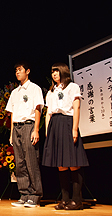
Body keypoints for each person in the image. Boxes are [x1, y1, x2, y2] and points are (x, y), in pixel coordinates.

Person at [42, 62, 89, 210]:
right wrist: (47, 131)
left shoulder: (72, 87)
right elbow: (48, 112)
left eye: (56, 71)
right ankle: (65, 199)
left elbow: (76, 107)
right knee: (61, 165)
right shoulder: (51, 91)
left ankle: (77, 200)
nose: (54, 74)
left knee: (73, 162)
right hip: (54, 124)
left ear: (63, 71)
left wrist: (75, 129)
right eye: (52, 72)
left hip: (67, 122)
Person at [5, 61, 44, 207]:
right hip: (16, 128)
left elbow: (38, 109)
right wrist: (11, 134)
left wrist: (36, 129)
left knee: (31, 161)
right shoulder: (15, 92)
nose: (17, 72)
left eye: (20, 70)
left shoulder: (35, 89)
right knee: (20, 163)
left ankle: (35, 195)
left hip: (29, 126)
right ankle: (24, 194)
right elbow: (13, 113)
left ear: (27, 71)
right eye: (16, 70)